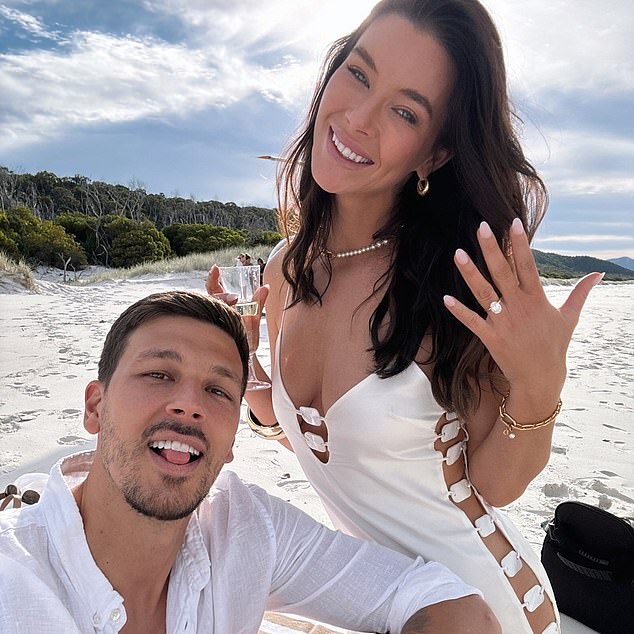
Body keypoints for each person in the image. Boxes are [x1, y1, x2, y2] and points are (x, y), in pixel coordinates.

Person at [208, 1, 603, 633]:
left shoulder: (453, 283)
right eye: (359, 74)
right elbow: (310, 434)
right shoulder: (284, 270)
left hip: (481, 605)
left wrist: (537, 387)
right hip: (377, 597)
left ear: (436, 152)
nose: (358, 119)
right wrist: (241, 359)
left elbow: (494, 487)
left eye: (405, 110)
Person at [0, 291, 497, 634]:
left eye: (217, 390)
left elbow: (426, 593)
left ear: (233, 437)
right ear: (95, 406)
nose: (189, 404)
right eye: (157, 374)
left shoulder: (244, 527)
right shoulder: (15, 581)